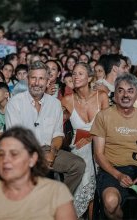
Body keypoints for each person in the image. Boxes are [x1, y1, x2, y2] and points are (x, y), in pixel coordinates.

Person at [5, 61, 85, 194]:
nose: (37, 83)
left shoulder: (54, 104)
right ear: (27, 79)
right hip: (23, 151)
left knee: (78, 165)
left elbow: (58, 134)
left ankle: (58, 201)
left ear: (48, 81)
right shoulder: (15, 103)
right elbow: (15, 139)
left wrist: (52, 153)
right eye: (33, 78)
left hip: (48, 150)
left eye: (41, 78)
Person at [0, 126, 77, 220]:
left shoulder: (56, 193)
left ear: (32, 159)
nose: (6, 160)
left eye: (14, 154)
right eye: (1, 154)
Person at [90, 73, 137, 220]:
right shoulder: (103, 116)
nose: (125, 95)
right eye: (121, 90)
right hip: (112, 169)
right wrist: (118, 175)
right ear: (115, 94)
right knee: (111, 203)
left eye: (130, 91)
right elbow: (98, 155)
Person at [61, 63, 109, 218]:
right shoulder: (67, 100)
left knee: (91, 154)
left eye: (80, 74)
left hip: (100, 143)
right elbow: (57, 124)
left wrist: (90, 137)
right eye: (74, 74)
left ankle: (78, 212)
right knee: (85, 155)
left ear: (89, 78)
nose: (75, 77)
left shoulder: (101, 96)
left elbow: (108, 126)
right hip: (77, 145)